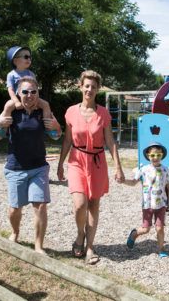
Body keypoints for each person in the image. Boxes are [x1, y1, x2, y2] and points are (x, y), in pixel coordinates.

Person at [57, 70, 125, 265]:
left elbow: (110, 141)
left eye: (93, 87)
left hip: (97, 162)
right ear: (81, 86)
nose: (90, 89)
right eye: (87, 85)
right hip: (77, 160)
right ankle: (80, 235)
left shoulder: (103, 113)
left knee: (94, 205)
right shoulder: (70, 111)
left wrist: (118, 167)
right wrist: (60, 163)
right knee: (79, 204)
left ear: (98, 90)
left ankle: (90, 247)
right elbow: (68, 139)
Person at [0, 76, 61, 254]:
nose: (29, 95)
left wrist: (54, 124)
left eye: (33, 91)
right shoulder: (12, 110)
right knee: (15, 208)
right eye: (25, 92)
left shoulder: (42, 110)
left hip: (39, 167)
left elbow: (56, 135)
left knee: (41, 205)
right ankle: (15, 232)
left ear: (38, 93)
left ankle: (38, 245)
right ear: (18, 93)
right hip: (16, 168)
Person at [125, 142, 169, 258]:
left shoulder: (165, 170)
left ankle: (161, 249)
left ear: (162, 155)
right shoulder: (143, 170)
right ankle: (134, 234)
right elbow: (134, 182)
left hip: (161, 204)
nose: (155, 158)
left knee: (160, 228)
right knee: (146, 229)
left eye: (158, 155)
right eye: (153, 155)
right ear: (148, 155)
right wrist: (123, 181)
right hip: (148, 204)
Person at [4, 46, 52, 122]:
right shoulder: (11, 75)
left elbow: (36, 88)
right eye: (26, 57)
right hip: (18, 98)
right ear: (15, 61)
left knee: (45, 105)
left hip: (31, 96)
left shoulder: (31, 74)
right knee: (8, 105)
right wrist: (16, 102)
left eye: (30, 57)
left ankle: (48, 125)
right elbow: (11, 90)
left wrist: (36, 99)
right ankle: (3, 127)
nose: (29, 59)